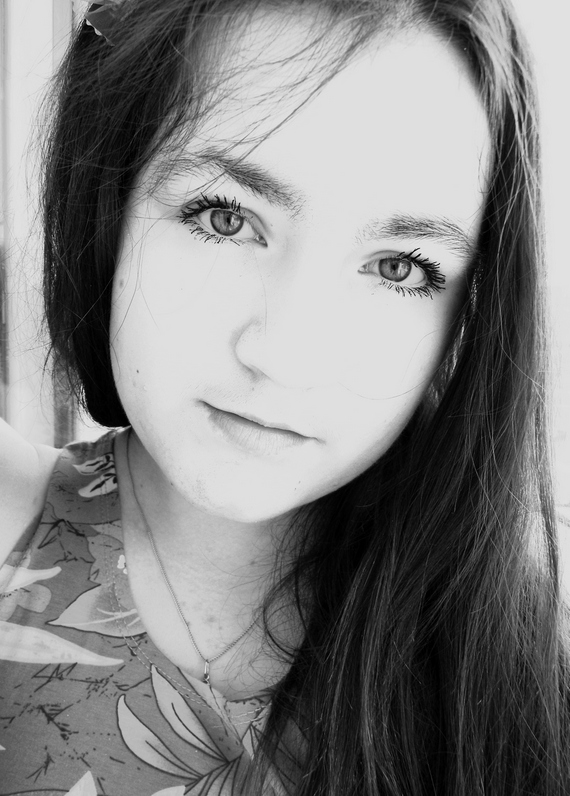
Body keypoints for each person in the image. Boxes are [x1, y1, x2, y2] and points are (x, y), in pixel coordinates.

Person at [0, 0, 568, 793]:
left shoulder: (529, 658)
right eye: (225, 217)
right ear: (110, 210)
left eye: (399, 267)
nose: (286, 357)